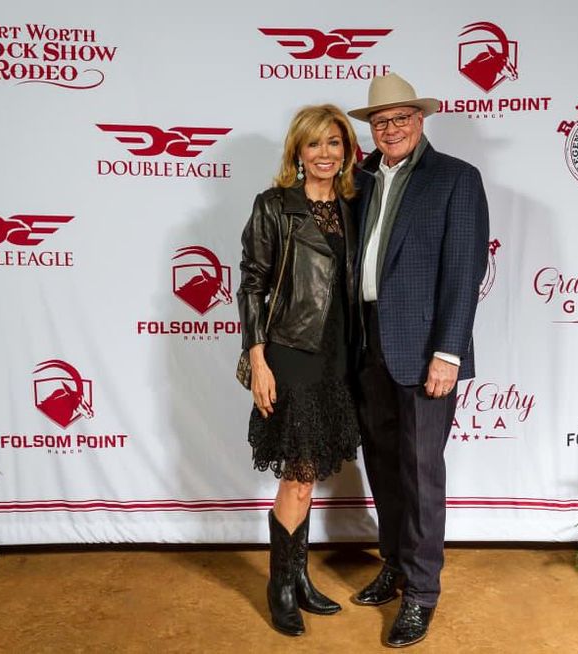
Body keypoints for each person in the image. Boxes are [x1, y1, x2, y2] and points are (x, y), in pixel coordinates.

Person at [347, 73, 489, 647]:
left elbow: (463, 273)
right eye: (381, 122)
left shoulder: (455, 178)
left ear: (421, 120)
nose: (392, 128)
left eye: (401, 118)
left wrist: (448, 353)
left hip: (427, 348)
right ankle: (397, 565)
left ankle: (423, 593)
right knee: (383, 463)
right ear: (372, 129)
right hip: (368, 343)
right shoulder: (357, 181)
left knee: (422, 471)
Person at [237, 104, 361, 637]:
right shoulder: (274, 206)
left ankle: (300, 578)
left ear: (347, 151)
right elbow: (251, 284)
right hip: (292, 351)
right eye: (315, 144)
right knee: (300, 474)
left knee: (308, 478)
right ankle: (281, 587)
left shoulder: (356, 205)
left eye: (335, 143)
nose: (325, 154)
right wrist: (257, 356)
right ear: (297, 151)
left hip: (338, 355)